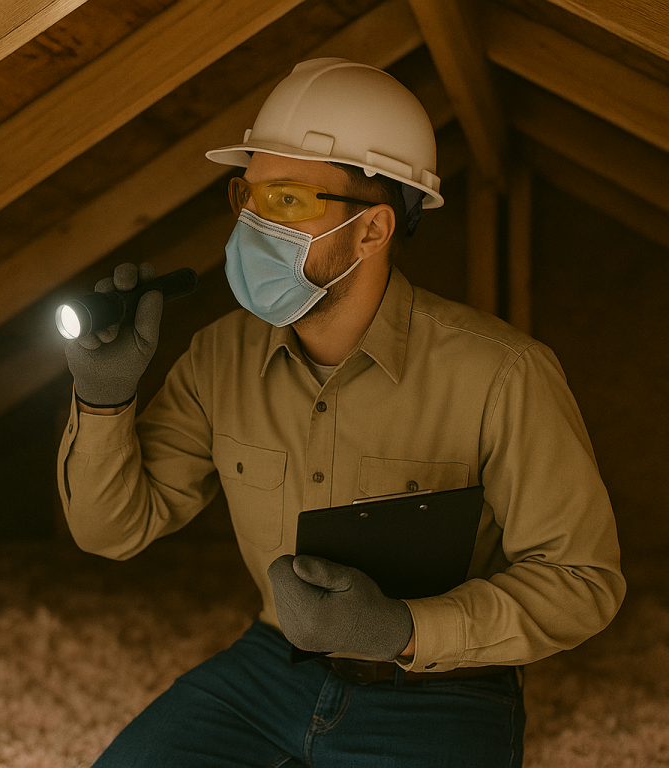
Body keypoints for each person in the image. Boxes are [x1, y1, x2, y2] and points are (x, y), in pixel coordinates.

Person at [58, 58, 625, 767]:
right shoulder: (219, 358)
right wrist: (103, 397)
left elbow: (582, 582)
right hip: (272, 667)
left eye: (288, 201)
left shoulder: (503, 374)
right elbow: (113, 532)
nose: (252, 222)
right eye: (249, 193)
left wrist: (405, 628)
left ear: (372, 231)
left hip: (443, 686)